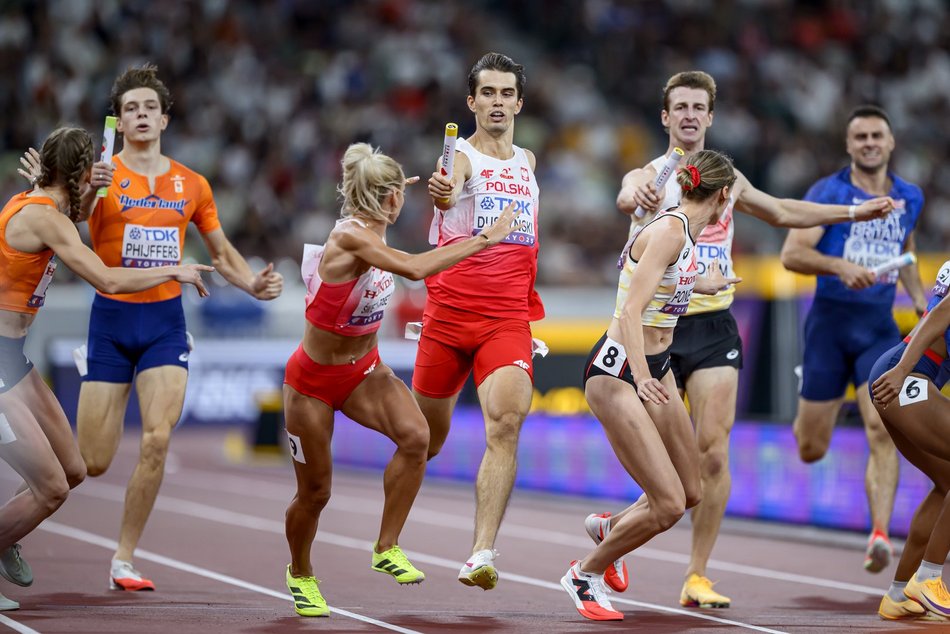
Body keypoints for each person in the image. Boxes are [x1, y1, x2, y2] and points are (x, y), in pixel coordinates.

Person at [602, 71, 894, 608]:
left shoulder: (728, 179)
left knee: (713, 452)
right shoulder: (649, 175)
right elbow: (626, 195)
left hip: (715, 324)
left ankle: (696, 575)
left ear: (711, 117)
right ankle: (617, 530)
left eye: (699, 107)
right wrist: (631, 193)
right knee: (674, 465)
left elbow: (782, 211)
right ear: (665, 117)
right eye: (680, 107)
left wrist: (852, 211)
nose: (690, 115)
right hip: (658, 328)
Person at [22, 65, 284, 591]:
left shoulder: (192, 183)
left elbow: (221, 251)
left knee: (158, 439)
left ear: (164, 118)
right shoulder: (98, 175)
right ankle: (16, 523)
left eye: (148, 108)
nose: (140, 116)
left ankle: (124, 557)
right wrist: (75, 191)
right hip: (111, 321)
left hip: (165, 322)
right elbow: (59, 225)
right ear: (117, 121)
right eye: (130, 109)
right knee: (91, 462)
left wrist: (251, 283)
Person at [283, 143, 517, 617]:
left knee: (416, 437)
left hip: (365, 371)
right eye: (397, 192)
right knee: (316, 492)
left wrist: (397, 189)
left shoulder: (372, 228)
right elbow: (413, 269)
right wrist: (485, 238)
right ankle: (300, 572)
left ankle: (386, 546)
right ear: (390, 198)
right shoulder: (351, 238)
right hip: (311, 383)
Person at [0, 126, 211, 610]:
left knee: (72, 469)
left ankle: (7, 529)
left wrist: (76, 186)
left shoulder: (44, 205)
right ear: (72, 175)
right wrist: (172, 269)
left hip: (14, 358)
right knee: (50, 489)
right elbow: (108, 279)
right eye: (88, 177)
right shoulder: (44, 217)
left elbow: (73, 209)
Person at [562, 150, 739, 622]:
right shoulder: (669, 231)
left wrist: (706, 284)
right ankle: (585, 574)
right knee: (667, 506)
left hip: (654, 364)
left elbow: (665, 284)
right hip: (618, 371)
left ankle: (611, 528)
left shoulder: (687, 233)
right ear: (723, 195)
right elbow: (630, 311)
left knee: (691, 489)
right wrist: (641, 378)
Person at [415, 52, 544, 590]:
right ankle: (388, 539)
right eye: (486, 93)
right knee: (424, 440)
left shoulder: (528, 161)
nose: (496, 102)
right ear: (472, 102)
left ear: (518, 101)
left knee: (507, 423)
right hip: (448, 316)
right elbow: (449, 182)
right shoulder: (461, 157)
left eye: (505, 93)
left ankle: (481, 551)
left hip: (507, 318)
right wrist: (444, 190)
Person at [781, 104, 925, 574]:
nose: (868, 143)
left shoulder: (910, 197)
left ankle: (879, 534)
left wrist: (922, 306)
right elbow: (793, 253)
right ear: (848, 145)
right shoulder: (829, 192)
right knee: (811, 448)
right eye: (859, 136)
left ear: (890, 142)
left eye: (876, 135)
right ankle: (817, 398)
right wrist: (840, 266)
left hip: (878, 333)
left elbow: (906, 251)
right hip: (828, 328)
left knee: (882, 428)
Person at [869, 259, 950, 621]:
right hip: (905, 377)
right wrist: (901, 371)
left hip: (907, 377)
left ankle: (899, 593)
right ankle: (929, 578)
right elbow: (943, 312)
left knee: (946, 482)